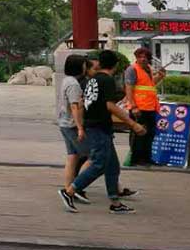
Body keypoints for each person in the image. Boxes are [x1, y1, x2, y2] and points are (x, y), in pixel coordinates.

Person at [59, 50, 146, 214]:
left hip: (96, 126)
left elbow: (87, 103)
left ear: (100, 63)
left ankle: (115, 203)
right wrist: (133, 124)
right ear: (116, 65)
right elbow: (109, 105)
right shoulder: (107, 80)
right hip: (98, 128)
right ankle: (70, 191)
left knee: (112, 166)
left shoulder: (93, 80)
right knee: (99, 164)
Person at [56, 54, 90, 198]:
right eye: (84, 65)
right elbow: (74, 106)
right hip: (71, 125)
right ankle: (76, 187)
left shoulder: (66, 80)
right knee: (92, 156)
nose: (86, 67)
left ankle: (67, 188)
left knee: (73, 156)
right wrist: (80, 128)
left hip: (63, 123)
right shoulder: (74, 84)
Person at [123, 46, 163, 166]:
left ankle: (147, 158)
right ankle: (136, 159)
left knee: (150, 134)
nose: (143, 59)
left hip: (150, 107)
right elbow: (129, 89)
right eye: (140, 57)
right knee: (138, 134)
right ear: (136, 58)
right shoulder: (132, 69)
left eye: (145, 57)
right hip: (139, 108)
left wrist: (160, 76)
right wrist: (133, 106)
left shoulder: (148, 69)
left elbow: (150, 85)